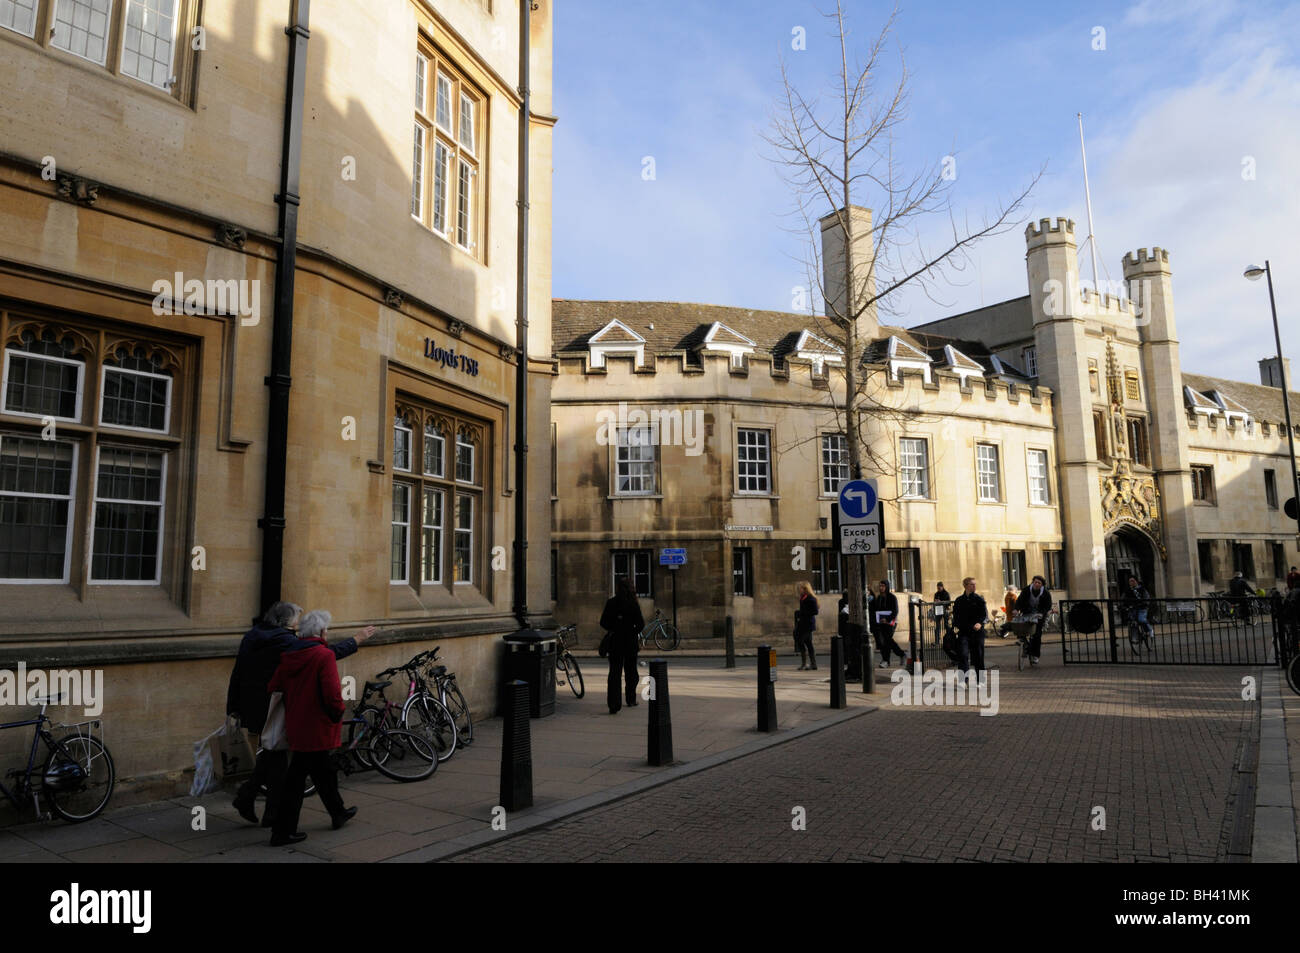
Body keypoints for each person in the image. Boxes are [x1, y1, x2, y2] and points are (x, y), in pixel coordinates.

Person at [227, 602, 372, 828]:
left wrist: (233, 706)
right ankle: (272, 816)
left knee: (273, 757)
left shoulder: (252, 636)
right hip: (277, 707)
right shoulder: (287, 642)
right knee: (280, 765)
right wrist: (357, 639)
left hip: (253, 704)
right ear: (286, 621)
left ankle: (252, 801)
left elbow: (237, 672)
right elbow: (324, 654)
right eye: (296, 620)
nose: (298, 625)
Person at [267, 610, 356, 846]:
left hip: (297, 723)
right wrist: (338, 711)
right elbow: (331, 692)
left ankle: (338, 812)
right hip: (318, 725)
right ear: (321, 632)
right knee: (296, 780)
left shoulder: (289, 655)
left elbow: (274, 686)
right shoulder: (323, 655)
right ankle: (282, 831)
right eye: (327, 629)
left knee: (323, 771)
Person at [600, 577, 645, 713]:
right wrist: (631, 630)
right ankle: (630, 699)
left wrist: (614, 628)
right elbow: (641, 625)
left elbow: (603, 622)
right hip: (630, 642)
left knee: (614, 673)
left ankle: (614, 704)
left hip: (615, 642)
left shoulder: (611, 602)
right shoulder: (633, 604)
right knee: (631, 672)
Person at [952, 577, 988, 680]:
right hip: (964, 632)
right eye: (972, 584)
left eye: (975, 584)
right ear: (965, 586)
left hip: (977, 633)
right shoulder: (959, 601)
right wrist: (957, 628)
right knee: (963, 656)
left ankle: (980, 680)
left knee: (978, 657)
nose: (974, 586)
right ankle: (963, 680)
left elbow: (983, 615)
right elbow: (956, 617)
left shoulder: (979, 599)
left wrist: (980, 623)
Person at [1013, 574, 1052, 666]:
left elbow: (1047, 606)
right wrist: (1016, 609)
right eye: (1035, 582)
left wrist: (1041, 613)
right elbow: (1019, 601)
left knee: (1037, 635)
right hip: (1027, 612)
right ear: (1032, 582)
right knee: (1020, 628)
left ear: (1042, 585)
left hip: (1039, 615)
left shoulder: (1045, 593)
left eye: (1039, 583)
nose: (1037, 584)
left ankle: (1035, 655)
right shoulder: (1026, 590)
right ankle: (1025, 644)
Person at [871, 579, 904, 668]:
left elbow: (895, 611)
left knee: (887, 640)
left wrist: (887, 619)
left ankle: (887, 660)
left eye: (883, 586)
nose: (881, 588)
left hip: (891, 622)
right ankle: (899, 655)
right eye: (880, 586)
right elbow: (876, 610)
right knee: (883, 642)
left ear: (887, 587)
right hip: (881, 623)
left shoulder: (892, 597)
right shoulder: (879, 598)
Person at [1121, 575, 1153, 648]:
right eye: (1130, 581)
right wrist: (1122, 605)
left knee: (1141, 619)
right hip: (1132, 608)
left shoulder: (1142, 589)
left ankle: (1149, 630)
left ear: (1136, 581)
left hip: (1142, 608)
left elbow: (1147, 597)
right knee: (1133, 622)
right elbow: (1122, 599)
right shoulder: (1127, 590)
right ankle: (1135, 637)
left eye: (1133, 581)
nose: (1131, 582)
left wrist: (1145, 603)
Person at [793, 581, 819, 670]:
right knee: (808, 643)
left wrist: (803, 613)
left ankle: (805, 664)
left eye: (799, 588)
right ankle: (813, 664)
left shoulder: (811, 598)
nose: (798, 590)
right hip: (802, 623)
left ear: (804, 589)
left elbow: (815, 611)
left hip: (808, 624)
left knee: (801, 641)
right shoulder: (803, 598)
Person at [838, 591, 862, 680]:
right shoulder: (843, 602)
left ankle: (857, 671)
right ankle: (851, 668)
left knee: (856, 649)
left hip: (857, 626)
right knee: (850, 647)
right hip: (848, 626)